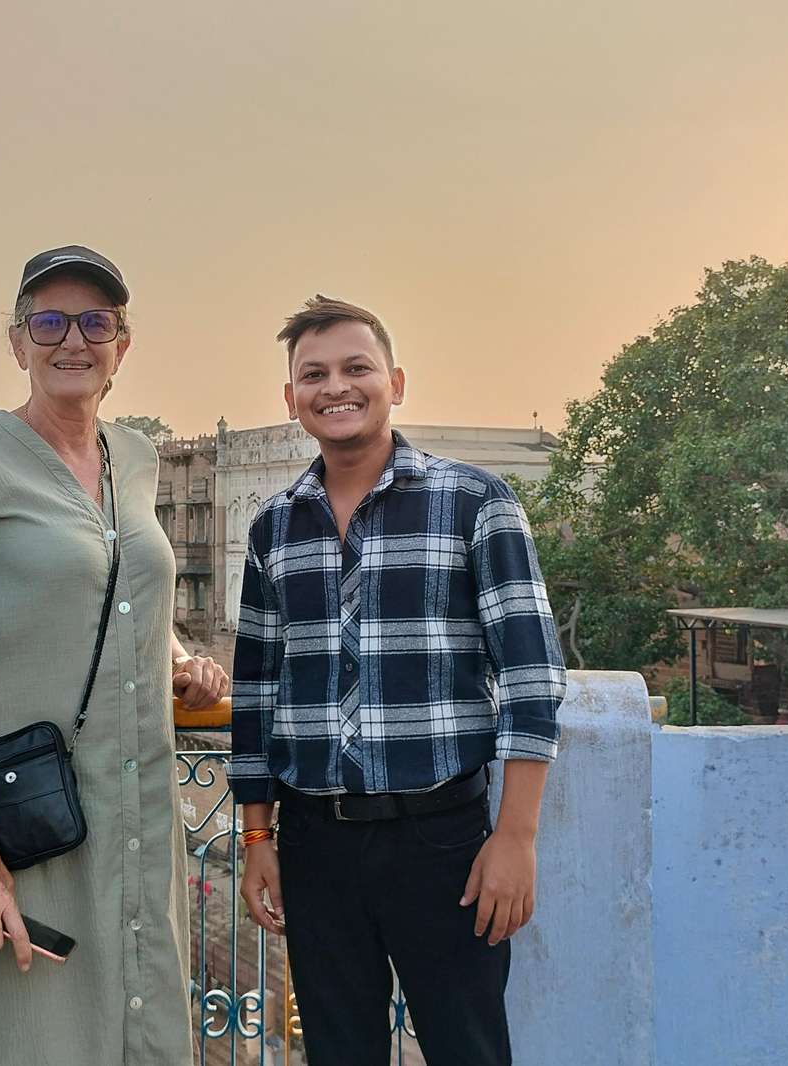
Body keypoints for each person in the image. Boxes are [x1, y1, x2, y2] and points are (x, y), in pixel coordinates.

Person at [0, 245, 228, 1065]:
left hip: (137, 813)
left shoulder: (137, 458)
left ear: (123, 344)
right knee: (31, 1033)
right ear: (17, 342)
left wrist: (179, 657)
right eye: (48, 322)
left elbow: (121, 583)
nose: (73, 340)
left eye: (95, 323)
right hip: (26, 825)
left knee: (143, 1022)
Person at [230, 295, 567, 1065]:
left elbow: (530, 674)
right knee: (337, 1051)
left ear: (396, 382)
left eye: (357, 368)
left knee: (467, 1048)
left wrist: (515, 837)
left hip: (441, 840)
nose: (335, 387)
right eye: (313, 374)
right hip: (314, 843)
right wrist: (257, 837)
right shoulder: (273, 527)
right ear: (291, 398)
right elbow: (255, 692)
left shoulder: (474, 503)